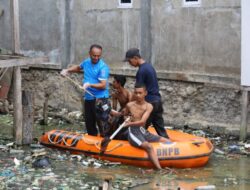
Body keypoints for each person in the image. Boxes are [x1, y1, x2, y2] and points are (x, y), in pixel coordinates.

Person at [61, 44, 111, 137]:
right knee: (89, 123)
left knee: (102, 124)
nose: (96, 58)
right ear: (89, 54)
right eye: (94, 55)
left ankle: (105, 142)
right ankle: (92, 140)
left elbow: (103, 85)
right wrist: (68, 71)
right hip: (88, 98)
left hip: (100, 99)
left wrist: (90, 84)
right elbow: (78, 68)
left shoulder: (103, 67)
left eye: (98, 56)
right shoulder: (86, 62)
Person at [122, 83, 170, 170]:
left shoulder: (149, 106)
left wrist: (129, 123)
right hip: (133, 131)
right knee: (149, 146)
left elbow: (142, 122)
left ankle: (172, 162)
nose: (138, 95)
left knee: (167, 141)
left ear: (145, 93)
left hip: (142, 130)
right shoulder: (129, 105)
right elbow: (125, 114)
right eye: (136, 93)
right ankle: (159, 170)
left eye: (140, 93)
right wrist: (127, 119)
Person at [123, 48, 169, 138]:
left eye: (129, 61)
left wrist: (129, 104)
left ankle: (136, 146)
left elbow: (138, 91)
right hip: (157, 101)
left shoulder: (141, 71)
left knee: (139, 128)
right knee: (160, 128)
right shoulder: (149, 66)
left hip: (149, 103)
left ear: (135, 58)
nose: (129, 64)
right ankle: (167, 143)